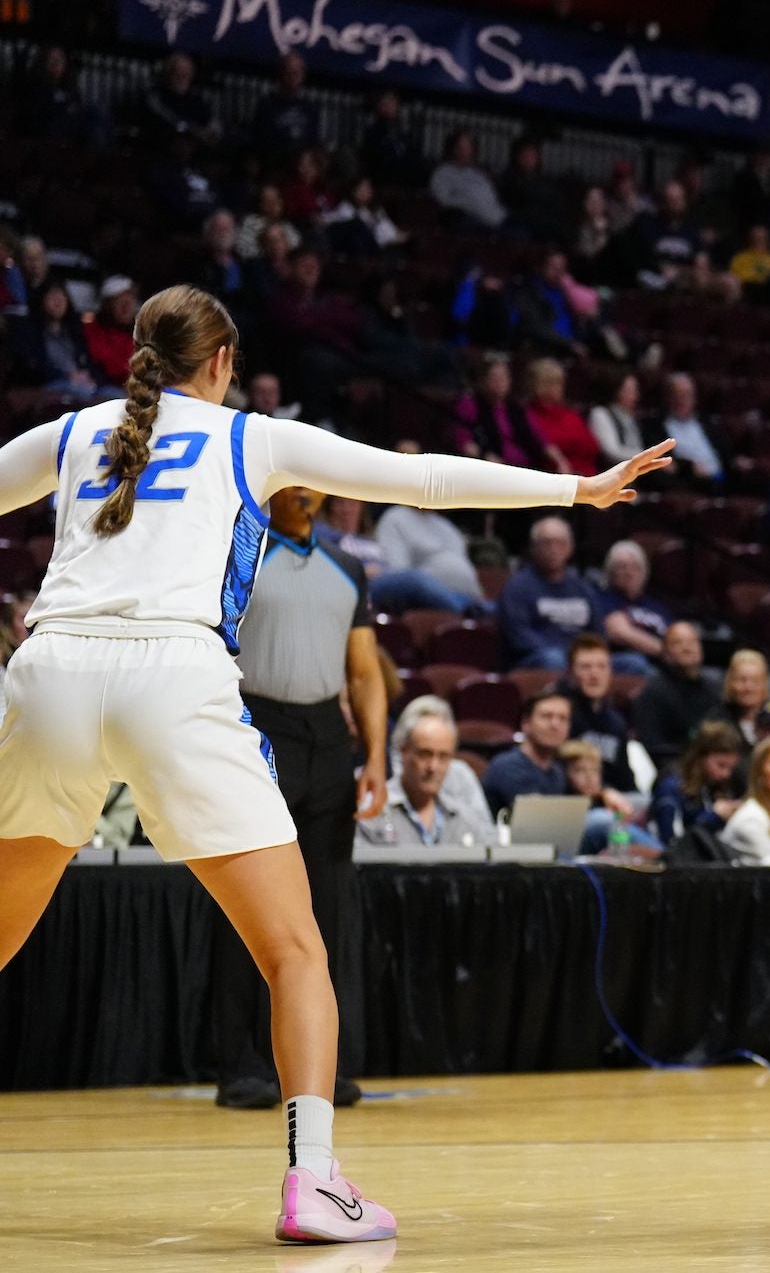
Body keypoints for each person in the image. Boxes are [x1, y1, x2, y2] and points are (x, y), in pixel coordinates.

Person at [0, 285, 669, 1242]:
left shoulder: (72, 434)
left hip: (51, 667)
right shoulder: (252, 439)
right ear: (224, 361)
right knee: (295, 950)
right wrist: (577, 489)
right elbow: (425, 478)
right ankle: (314, 1184)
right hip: (171, 677)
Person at [207, 478, 387, 1113]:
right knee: (253, 904)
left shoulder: (347, 568)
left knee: (330, 904)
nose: (307, 493)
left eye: (316, 485)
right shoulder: (240, 557)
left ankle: (325, 1071)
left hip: (328, 739)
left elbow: (364, 673)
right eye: (295, 483)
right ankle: (244, 1067)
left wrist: (377, 759)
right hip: (258, 727)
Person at [363, 714, 497, 849]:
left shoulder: (466, 819)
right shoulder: (370, 812)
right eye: (425, 754)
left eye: (443, 757)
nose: (433, 767)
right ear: (403, 752)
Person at [499, 517, 610, 672]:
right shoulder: (517, 587)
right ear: (533, 547)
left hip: (581, 660)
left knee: (633, 663)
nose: (554, 548)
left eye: (560, 543)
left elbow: (598, 634)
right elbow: (519, 637)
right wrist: (569, 657)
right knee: (554, 658)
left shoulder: (583, 588)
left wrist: (585, 658)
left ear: (570, 547)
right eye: (547, 543)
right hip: (536, 660)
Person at [558, 634, 639, 793]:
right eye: (586, 667)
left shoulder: (616, 722)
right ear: (571, 672)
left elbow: (625, 778)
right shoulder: (560, 715)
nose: (594, 675)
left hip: (613, 803)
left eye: (602, 666)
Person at [645, 721, 746, 847]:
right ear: (700, 756)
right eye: (721, 765)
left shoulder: (718, 785)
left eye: (731, 768)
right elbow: (673, 843)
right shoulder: (671, 787)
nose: (726, 774)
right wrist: (713, 817)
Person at [481, 690, 575, 819]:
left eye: (563, 719)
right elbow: (537, 820)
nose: (555, 725)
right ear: (526, 724)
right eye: (546, 716)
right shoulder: (507, 766)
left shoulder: (557, 771)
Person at [632, 621, 714, 763]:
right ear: (665, 651)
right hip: (673, 768)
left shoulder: (713, 690)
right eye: (678, 643)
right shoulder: (652, 693)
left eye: (691, 642)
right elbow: (653, 746)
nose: (686, 648)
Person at [592, 540, 671, 665]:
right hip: (625, 663)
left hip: (664, 665)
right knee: (636, 662)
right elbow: (620, 632)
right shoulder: (603, 599)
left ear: (644, 571)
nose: (629, 572)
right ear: (610, 572)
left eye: (635, 567)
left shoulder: (656, 606)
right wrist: (668, 652)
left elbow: (674, 637)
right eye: (622, 567)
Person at [588, 369, 649, 467]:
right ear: (616, 391)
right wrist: (648, 457)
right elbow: (612, 452)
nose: (635, 396)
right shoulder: (600, 414)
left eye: (635, 390)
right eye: (629, 391)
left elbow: (637, 446)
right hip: (611, 472)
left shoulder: (631, 417)